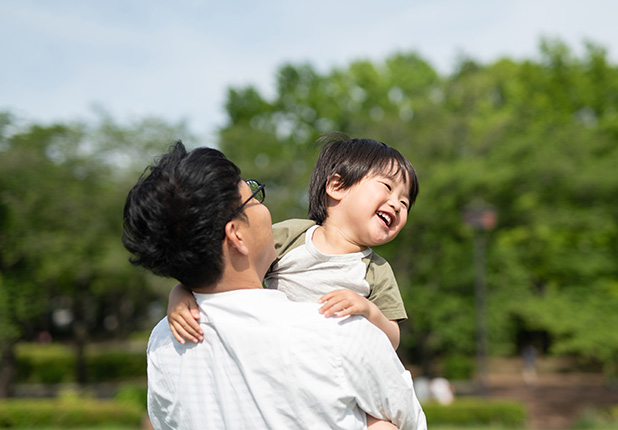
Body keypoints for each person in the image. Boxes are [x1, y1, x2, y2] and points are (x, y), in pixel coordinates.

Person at [122, 141, 427, 429]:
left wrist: (182, 291)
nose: (398, 206)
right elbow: (409, 419)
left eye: (405, 202)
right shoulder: (343, 336)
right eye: (254, 198)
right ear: (237, 235)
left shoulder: (164, 343)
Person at [168, 133, 419, 352]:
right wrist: (180, 293)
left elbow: (392, 340)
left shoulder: (376, 270)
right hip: (275, 348)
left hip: (333, 362)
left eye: (405, 202)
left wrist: (368, 311)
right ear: (337, 186)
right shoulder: (295, 235)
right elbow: (226, 265)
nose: (397, 204)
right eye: (387, 186)